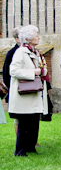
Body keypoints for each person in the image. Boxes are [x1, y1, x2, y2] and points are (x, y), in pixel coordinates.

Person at [8, 25, 48, 156]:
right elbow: (13, 71)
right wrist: (33, 72)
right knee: (24, 124)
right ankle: (20, 151)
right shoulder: (20, 52)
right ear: (28, 38)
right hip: (24, 94)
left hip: (32, 92)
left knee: (33, 122)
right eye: (36, 35)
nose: (39, 37)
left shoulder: (34, 51)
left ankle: (31, 147)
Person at [3, 27, 22, 134]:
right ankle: (20, 141)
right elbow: (6, 74)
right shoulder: (11, 53)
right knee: (18, 118)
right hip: (16, 89)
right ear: (16, 38)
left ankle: (33, 141)